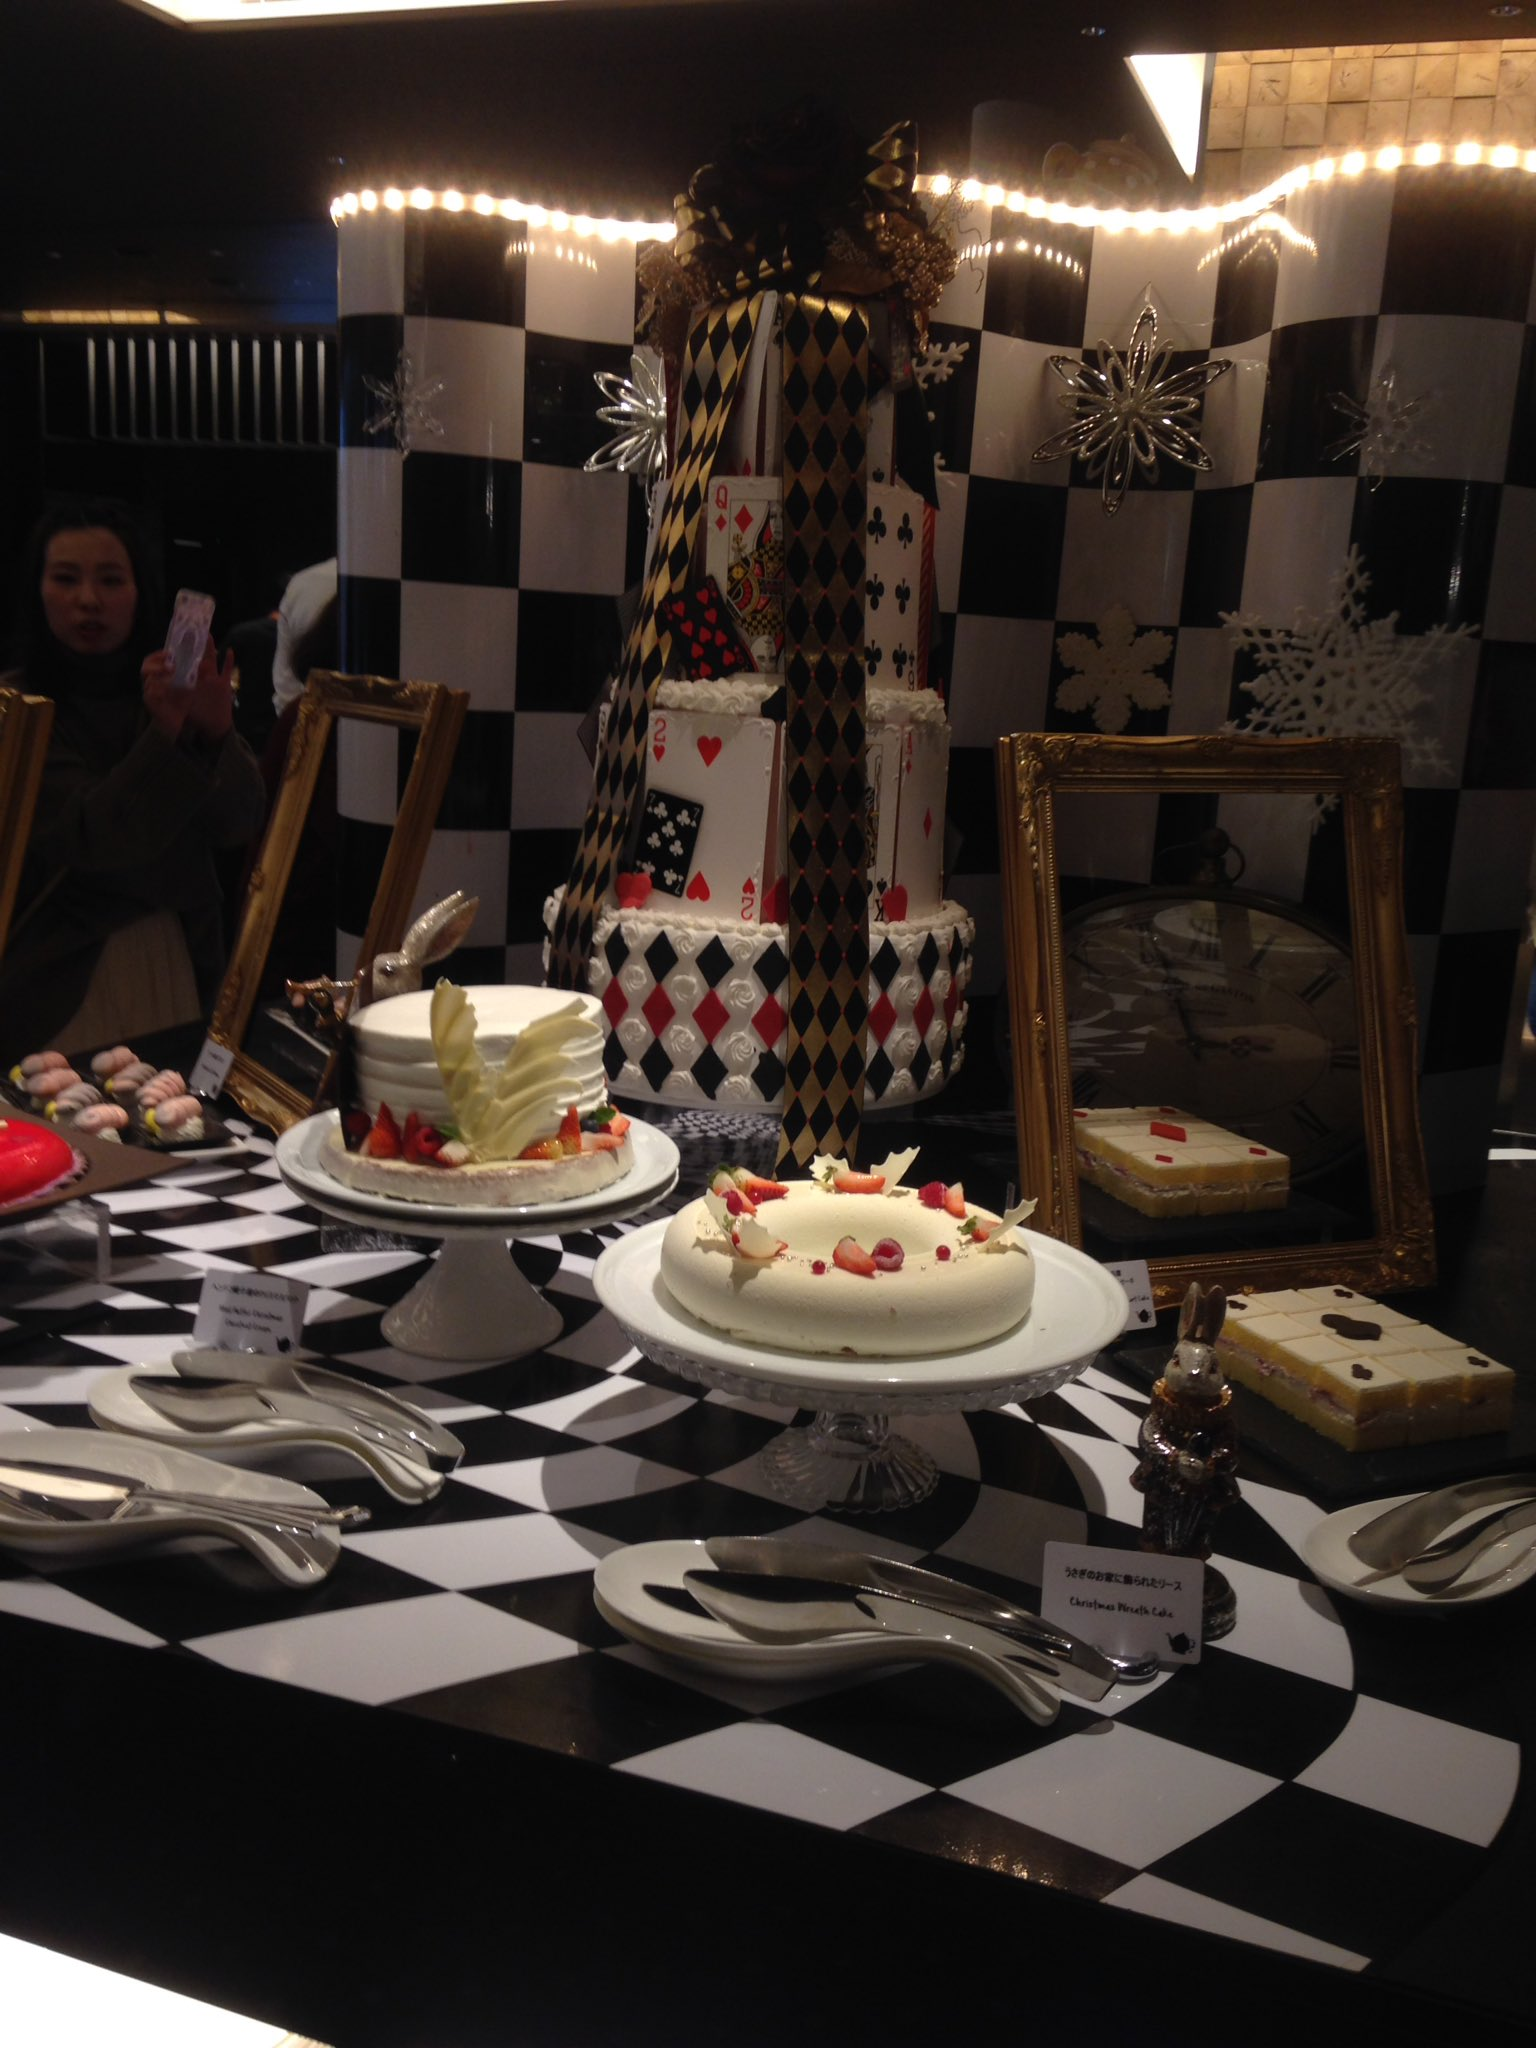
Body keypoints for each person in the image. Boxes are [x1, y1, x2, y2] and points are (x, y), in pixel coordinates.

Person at [0, 499, 267, 1052]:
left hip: (183, 966)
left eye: (111, 580)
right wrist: (166, 732)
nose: (89, 600)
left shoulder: (163, 689)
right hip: (56, 985)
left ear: (140, 590)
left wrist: (215, 732)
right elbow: (96, 838)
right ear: (37, 590)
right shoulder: (18, 709)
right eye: (66, 579)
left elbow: (240, 824)